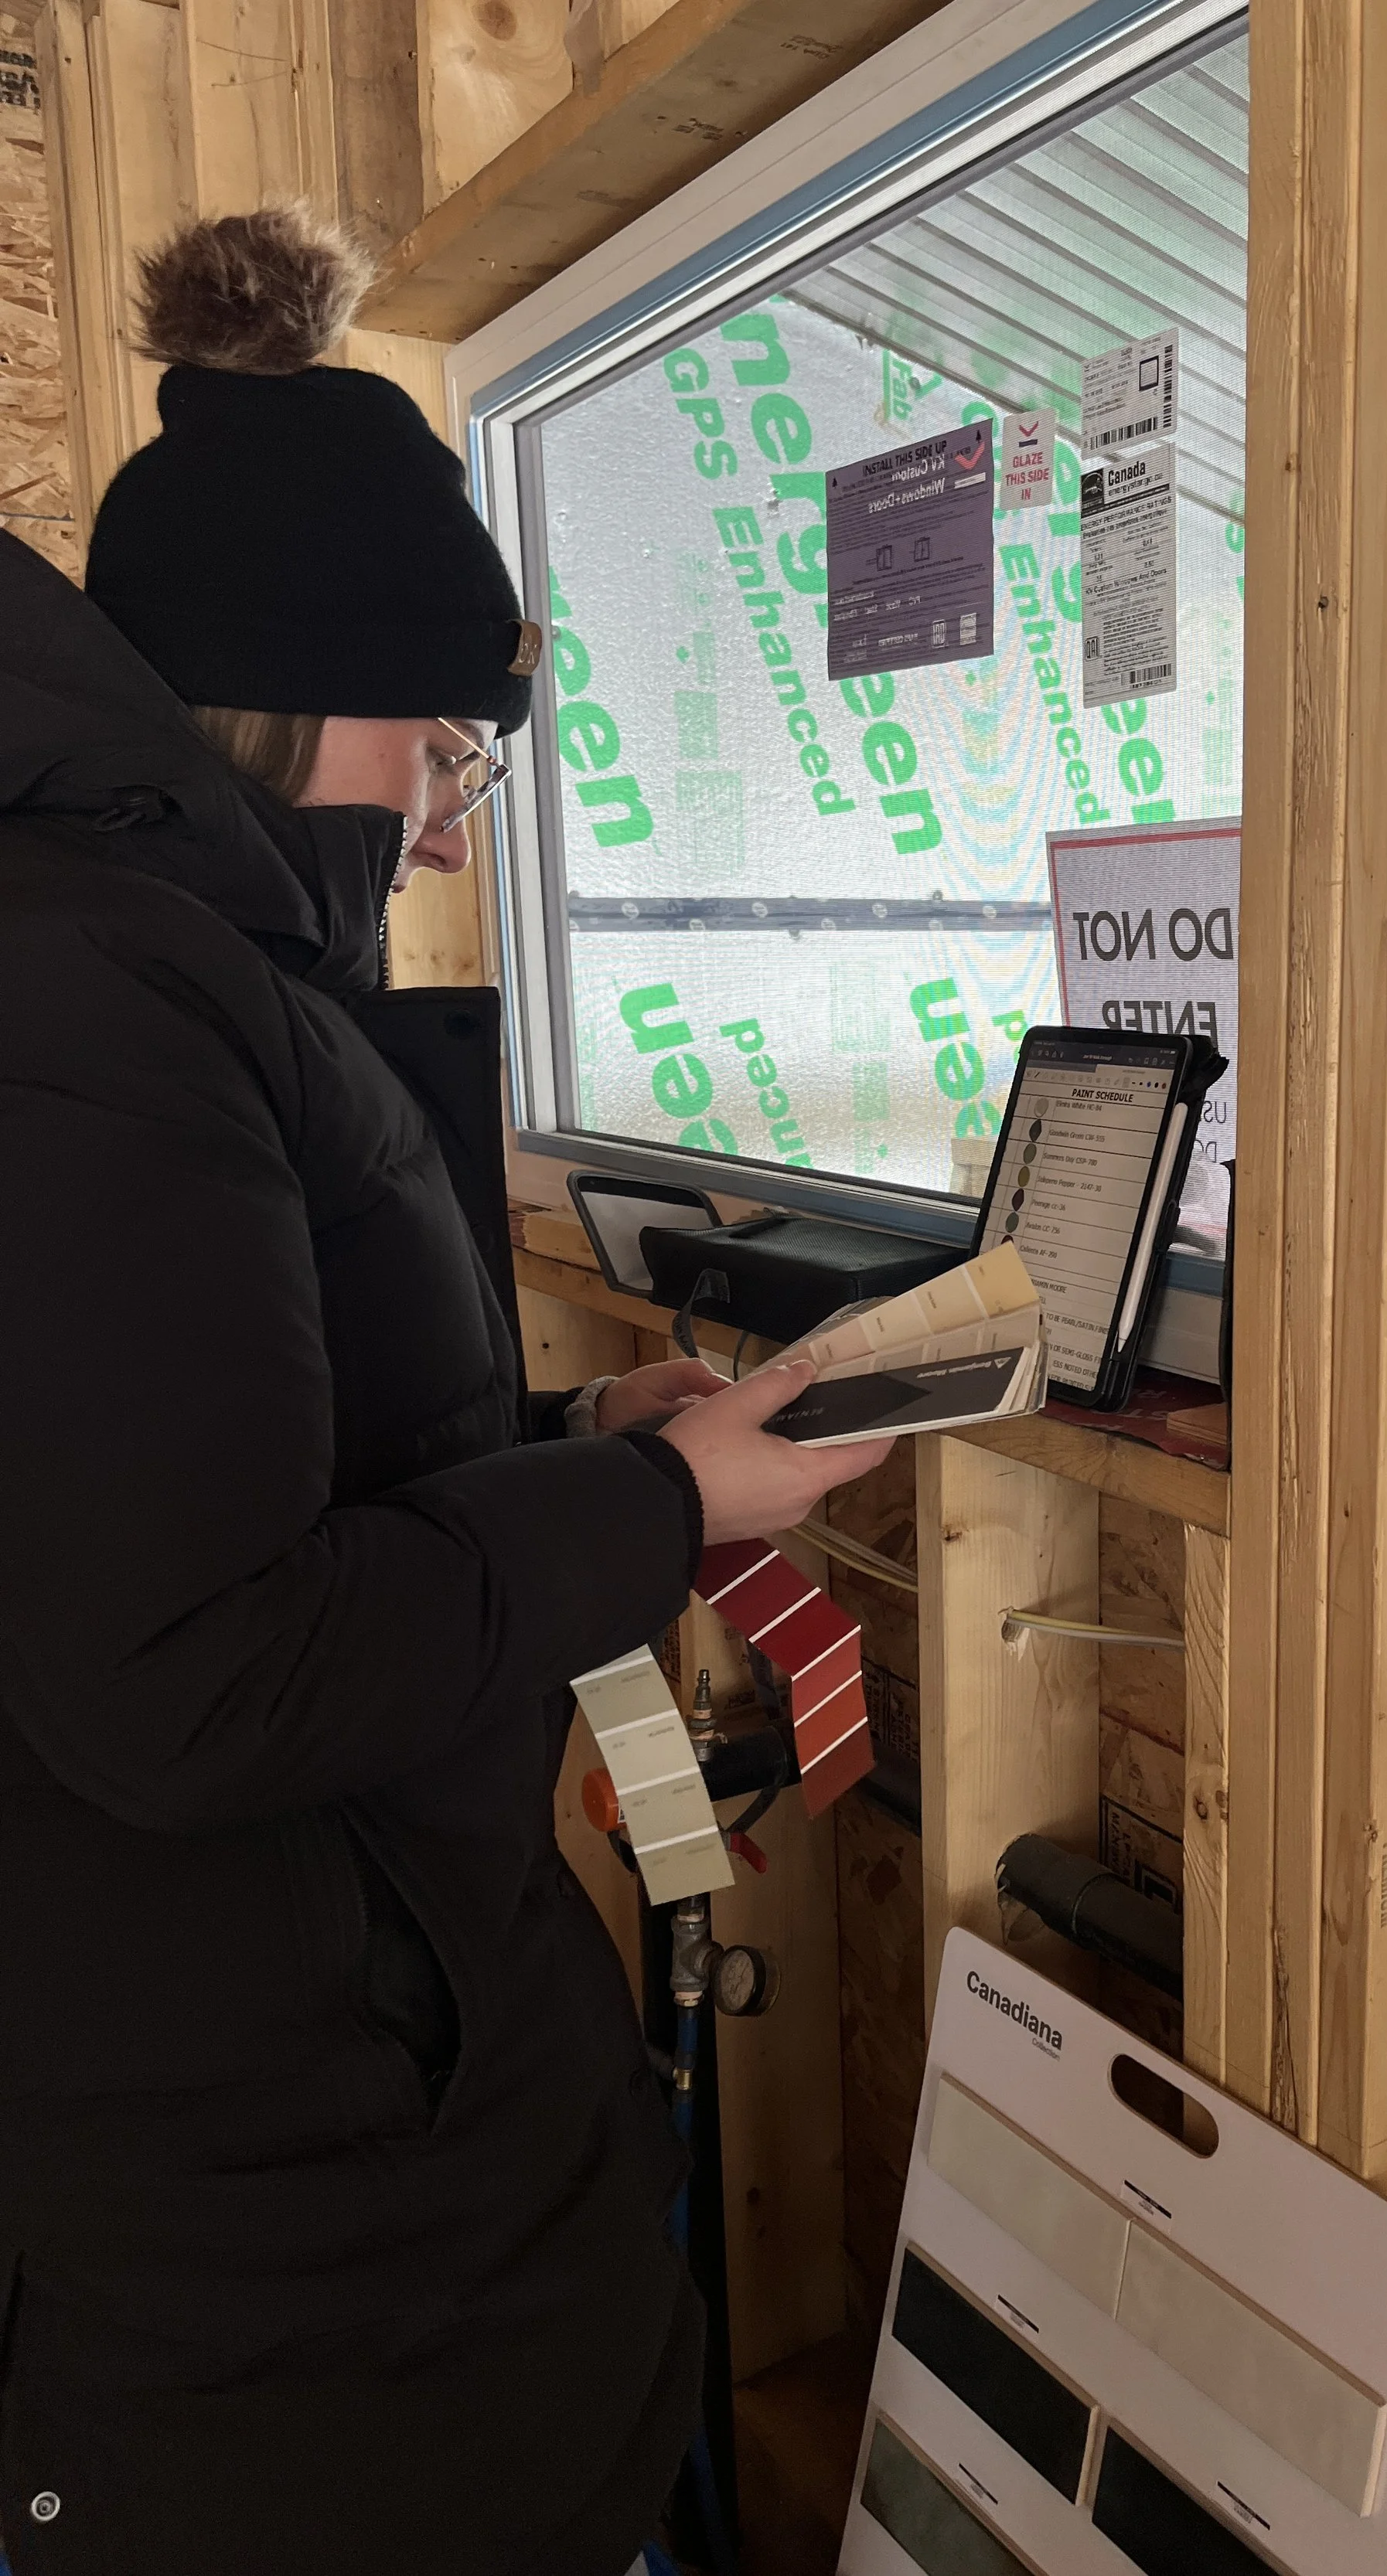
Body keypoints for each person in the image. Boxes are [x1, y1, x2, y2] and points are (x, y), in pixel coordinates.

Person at [0, 205, 890, 2576]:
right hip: (260, 2241)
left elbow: (226, 1467)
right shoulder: (97, 998)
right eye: (438, 744)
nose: (442, 808)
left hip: (331, 2127)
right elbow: (193, 1668)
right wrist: (658, 1516)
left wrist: (575, 1454)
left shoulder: (170, 971)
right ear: (294, 703)